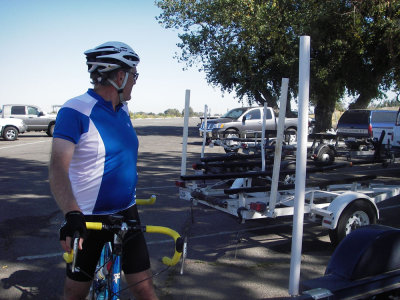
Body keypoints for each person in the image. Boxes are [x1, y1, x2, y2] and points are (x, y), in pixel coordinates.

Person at [49, 41, 158, 300]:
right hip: (87, 217)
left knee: (144, 288)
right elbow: (57, 169)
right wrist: (72, 214)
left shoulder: (124, 110)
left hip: (126, 211)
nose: (135, 81)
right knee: (74, 292)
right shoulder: (75, 110)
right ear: (120, 77)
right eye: (134, 75)